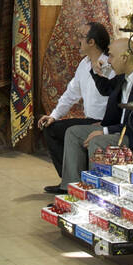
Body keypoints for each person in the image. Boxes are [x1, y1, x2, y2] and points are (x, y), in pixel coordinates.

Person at [58, 38, 133, 187]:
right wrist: (96, 73)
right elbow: (107, 89)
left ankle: (96, 192)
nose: (108, 61)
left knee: (98, 141)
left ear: (124, 57)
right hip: (116, 129)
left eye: (111, 56)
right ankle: (70, 189)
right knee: (73, 133)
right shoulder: (124, 76)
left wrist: (106, 131)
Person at [40, 22, 115, 193]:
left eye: (81, 37)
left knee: (71, 131)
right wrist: (54, 115)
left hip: (104, 122)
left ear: (92, 42)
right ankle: (69, 179)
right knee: (51, 128)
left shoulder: (109, 65)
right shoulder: (84, 64)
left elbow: (115, 97)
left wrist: (106, 126)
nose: (77, 41)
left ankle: (75, 182)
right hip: (90, 119)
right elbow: (71, 93)